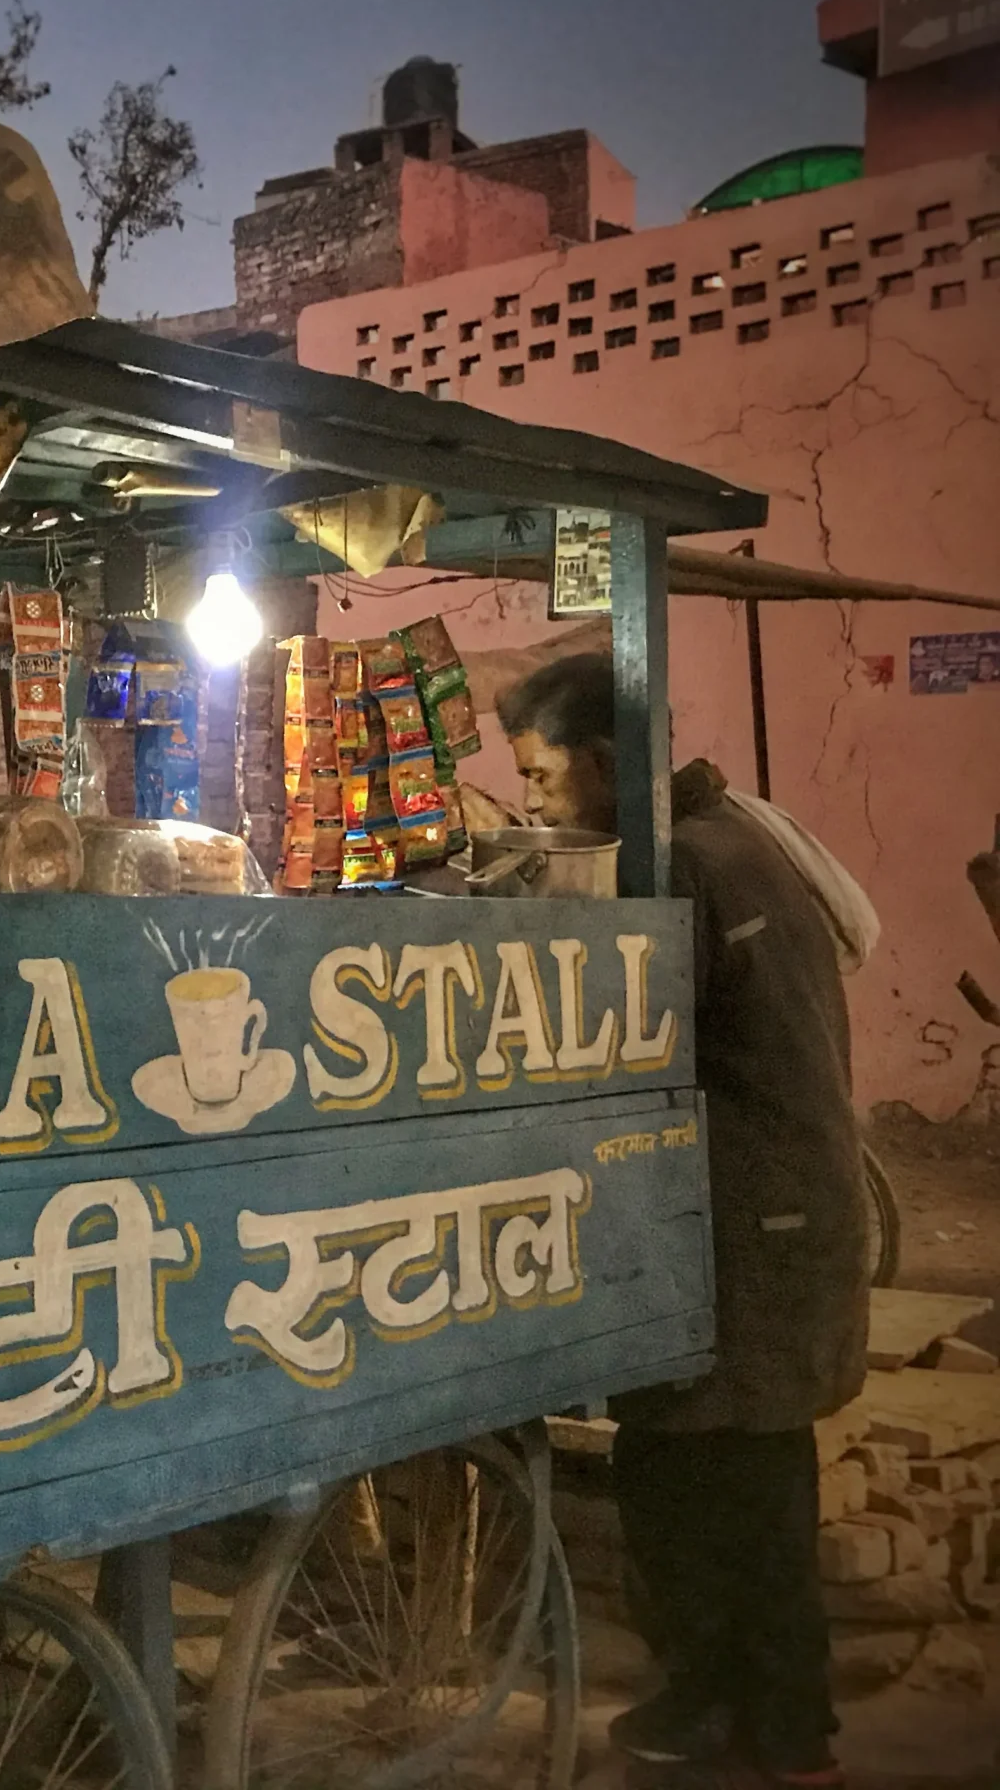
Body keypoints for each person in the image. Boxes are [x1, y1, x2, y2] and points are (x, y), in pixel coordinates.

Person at [500, 654, 866, 1789]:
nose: (536, 803)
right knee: (698, 1470)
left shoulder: (694, 867)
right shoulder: (731, 829)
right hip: (762, 1214)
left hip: (761, 1225)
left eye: (544, 779)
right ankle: (726, 1701)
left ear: (606, 767)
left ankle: (778, 1726)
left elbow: (630, 1042)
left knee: (735, 1486)